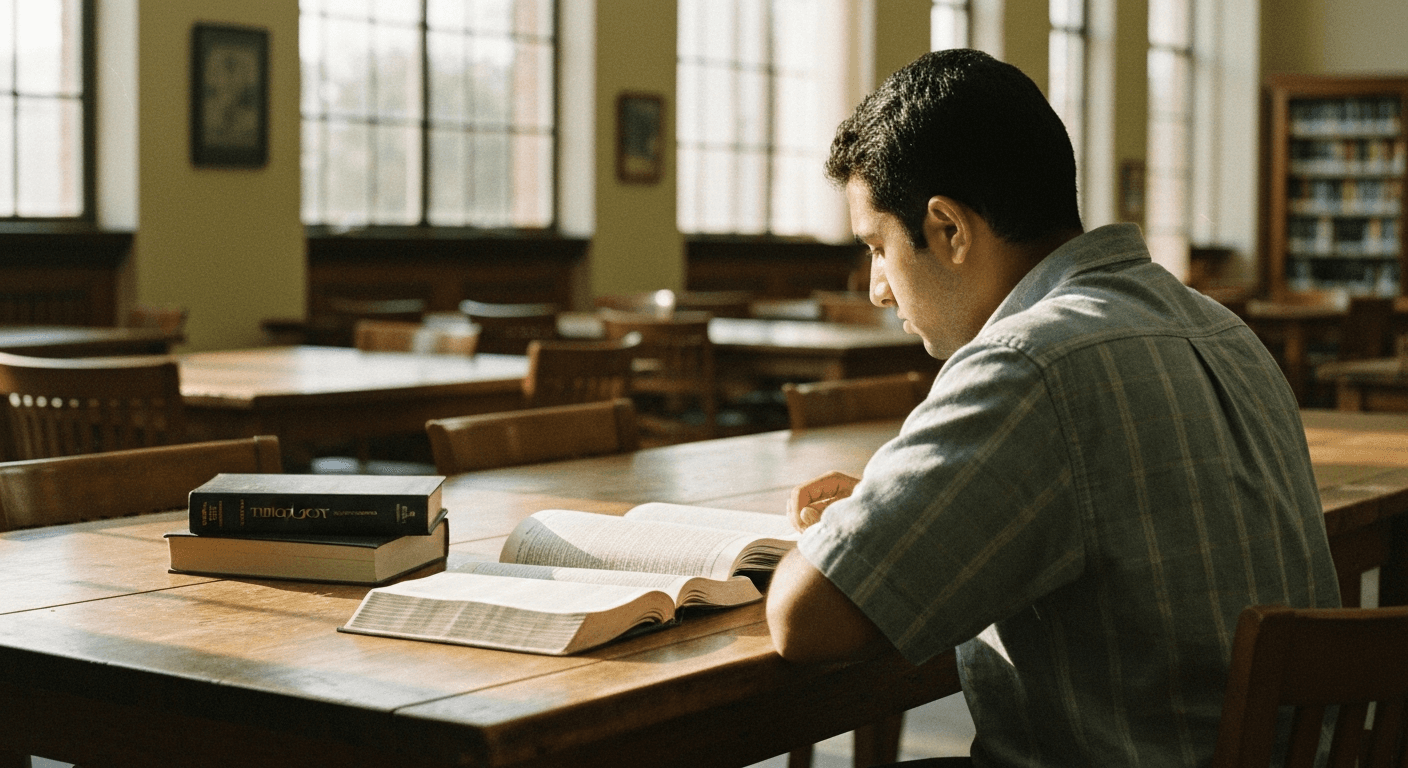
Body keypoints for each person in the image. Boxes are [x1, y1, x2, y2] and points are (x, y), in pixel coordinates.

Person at [765, 49, 1340, 767]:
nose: (878, 288)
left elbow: (805, 621)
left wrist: (848, 529)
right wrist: (906, 508)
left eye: (878, 246)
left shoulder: (1028, 361)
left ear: (948, 230)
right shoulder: (1224, 331)